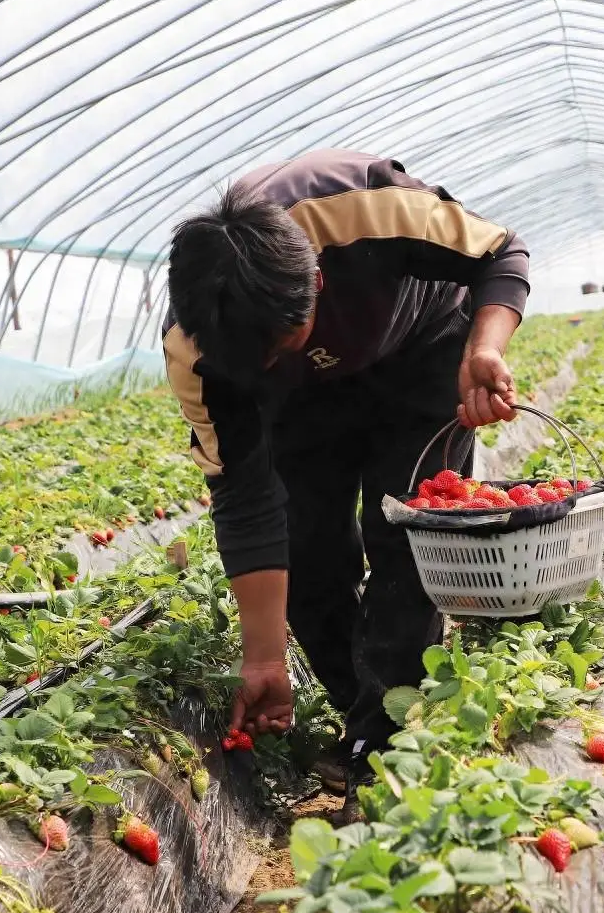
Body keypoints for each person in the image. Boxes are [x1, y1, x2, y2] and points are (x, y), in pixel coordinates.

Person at [162, 150, 528, 809]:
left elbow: (501, 253)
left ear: (317, 284)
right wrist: (264, 659)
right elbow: (244, 503)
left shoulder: (362, 210)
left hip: (421, 353)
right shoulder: (200, 354)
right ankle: (367, 715)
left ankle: (386, 747)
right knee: (308, 554)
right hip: (302, 404)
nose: (269, 356)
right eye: (255, 358)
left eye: (280, 341)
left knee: (402, 538)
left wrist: (485, 350)